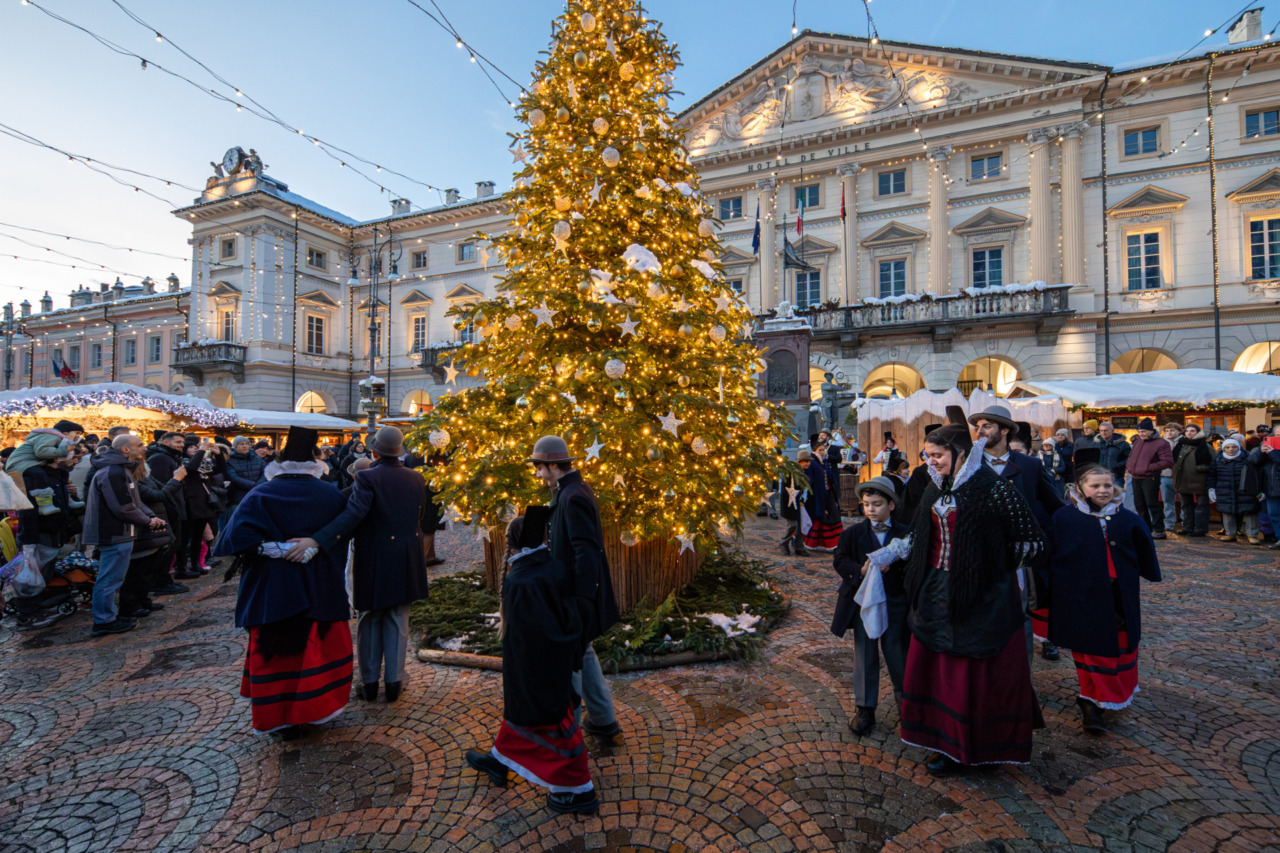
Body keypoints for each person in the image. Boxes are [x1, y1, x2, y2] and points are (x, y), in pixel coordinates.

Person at [867, 425, 1046, 776]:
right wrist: (887, 554)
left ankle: (986, 746)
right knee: (941, 669)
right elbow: (920, 533)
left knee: (977, 671)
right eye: (928, 455)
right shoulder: (936, 486)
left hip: (984, 594)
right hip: (936, 589)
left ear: (961, 453)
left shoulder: (995, 488)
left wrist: (986, 564)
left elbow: (1030, 542)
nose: (932, 462)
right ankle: (947, 743)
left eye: (938, 455)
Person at [215, 426, 354, 737]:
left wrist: (272, 548)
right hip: (317, 582)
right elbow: (345, 531)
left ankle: (277, 716)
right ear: (315, 462)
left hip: (271, 585)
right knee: (314, 646)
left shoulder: (260, 493)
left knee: (275, 650)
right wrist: (313, 545)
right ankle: (314, 711)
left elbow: (234, 539)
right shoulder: (329, 493)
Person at [285, 426, 429, 703]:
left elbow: (354, 514)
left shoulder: (366, 477)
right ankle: (395, 682)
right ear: (400, 450)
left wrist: (318, 540)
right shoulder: (416, 477)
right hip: (407, 554)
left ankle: (370, 682)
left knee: (369, 618)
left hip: (374, 555)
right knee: (399, 618)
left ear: (374, 451)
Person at [465, 516, 598, 815]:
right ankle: (500, 760)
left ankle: (576, 791)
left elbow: (532, 636)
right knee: (527, 718)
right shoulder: (551, 567)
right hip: (554, 664)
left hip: (537, 670)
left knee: (552, 727)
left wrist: (526, 677)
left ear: (512, 545)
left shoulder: (522, 582)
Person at [1048, 465, 1161, 734]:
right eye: (1095, 486)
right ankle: (1091, 701)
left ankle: (1112, 694)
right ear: (1080, 489)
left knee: (1122, 645)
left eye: (1107, 486)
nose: (1102, 490)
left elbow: (1143, 548)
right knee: (1091, 647)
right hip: (1082, 598)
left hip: (1119, 597)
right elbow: (1053, 555)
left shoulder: (1127, 518)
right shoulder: (1065, 517)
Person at [525, 435, 622, 745]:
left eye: (540, 468)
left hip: (575, 596)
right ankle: (604, 720)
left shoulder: (573, 495)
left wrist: (579, 601)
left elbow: (586, 551)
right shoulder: (565, 491)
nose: (538, 474)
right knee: (584, 653)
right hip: (572, 592)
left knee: (571, 660)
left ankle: (568, 735)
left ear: (553, 464)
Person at [968, 404, 1065, 662]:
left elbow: (1054, 505)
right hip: (980, 554)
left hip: (1020, 557)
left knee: (1020, 613)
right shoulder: (967, 465)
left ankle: (1021, 676)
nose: (980, 432)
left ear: (1005, 429)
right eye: (977, 427)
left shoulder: (1030, 465)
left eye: (986, 426)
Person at [830, 476, 909, 738]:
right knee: (865, 654)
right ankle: (865, 708)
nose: (871, 510)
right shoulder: (852, 534)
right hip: (863, 603)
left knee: (897, 652)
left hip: (896, 602)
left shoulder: (905, 534)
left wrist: (898, 566)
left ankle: (907, 707)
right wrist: (859, 570)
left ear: (892, 505)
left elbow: (915, 566)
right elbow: (840, 560)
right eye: (866, 505)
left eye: (877, 504)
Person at [83, 434, 166, 637]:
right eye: (139, 445)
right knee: (110, 579)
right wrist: (148, 521)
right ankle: (104, 621)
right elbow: (123, 507)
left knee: (113, 578)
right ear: (125, 450)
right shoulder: (114, 472)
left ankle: (107, 617)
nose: (144, 448)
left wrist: (149, 516)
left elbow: (131, 503)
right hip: (114, 533)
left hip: (120, 532)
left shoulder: (120, 469)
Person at [1125, 418, 1173, 540]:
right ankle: (1145, 527)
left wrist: (1151, 467)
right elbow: (1131, 457)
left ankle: (1158, 529)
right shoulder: (1137, 442)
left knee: (1152, 503)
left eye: (1144, 431)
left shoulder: (1161, 443)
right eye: (1139, 431)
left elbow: (1167, 461)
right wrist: (1129, 466)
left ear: (1151, 431)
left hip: (1150, 477)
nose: (1141, 434)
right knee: (1139, 504)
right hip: (1136, 477)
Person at [1209, 438, 1262, 544]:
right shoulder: (1218, 459)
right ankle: (1230, 533)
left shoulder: (1248, 458)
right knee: (1227, 512)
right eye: (1227, 447)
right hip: (1224, 489)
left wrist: (1259, 490)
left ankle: (1252, 535)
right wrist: (1211, 488)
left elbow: (1256, 474)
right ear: (1224, 448)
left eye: (1234, 447)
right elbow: (1212, 475)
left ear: (1239, 447)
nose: (1231, 449)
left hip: (1245, 490)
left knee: (1250, 511)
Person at [1172, 423, 1212, 537]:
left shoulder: (1205, 445)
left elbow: (1212, 463)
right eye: (1187, 431)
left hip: (1200, 480)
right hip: (1183, 480)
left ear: (1198, 432)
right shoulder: (1181, 445)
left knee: (1202, 506)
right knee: (1186, 505)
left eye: (1192, 431)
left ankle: (1200, 529)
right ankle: (1187, 527)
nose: (1189, 433)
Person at [803, 442, 843, 551]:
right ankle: (813, 543)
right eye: (820, 450)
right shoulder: (812, 463)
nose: (822, 452)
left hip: (827, 493)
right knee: (818, 517)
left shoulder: (824, 462)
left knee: (832, 516)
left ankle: (833, 544)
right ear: (814, 451)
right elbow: (809, 480)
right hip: (817, 495)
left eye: (824, 449)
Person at [780, 447, 811, 557]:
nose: (808, 463)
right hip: (789, 503)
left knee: (800, 525)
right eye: (806, 461)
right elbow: (786, 488)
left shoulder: (802, 472)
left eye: (809, 461)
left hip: (798, 503)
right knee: (792, 525)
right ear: (800, 461)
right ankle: (783, 543)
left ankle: (799, 547)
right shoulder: (791, 473)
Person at [1158, 423, 1183, 533]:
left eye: (1172, 430)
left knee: (1185, 501)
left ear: (1178, 431)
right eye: (1167, 430)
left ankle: (1185, 522)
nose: (1169, 433)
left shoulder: (1184, 442)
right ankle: (1169, 523)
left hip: (1182, 476)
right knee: (1168, 501)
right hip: (1165, 475)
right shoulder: (1161, 443)